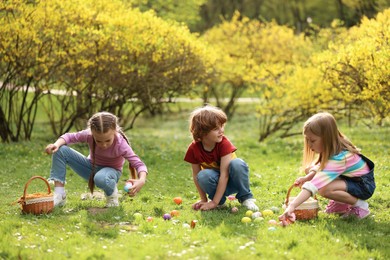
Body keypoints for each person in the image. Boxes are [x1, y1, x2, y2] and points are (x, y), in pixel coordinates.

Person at [279, 112, 375, 221]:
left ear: (326, 138)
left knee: (324, 189)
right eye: (307, 140)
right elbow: (321, 167)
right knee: (309, 170)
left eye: (313, 140)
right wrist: (306, 178)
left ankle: (361, 206)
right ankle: (341, 205)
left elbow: (314, 185)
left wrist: (292, 206)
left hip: (363, 185)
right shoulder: (334, 147)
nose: (309, 145)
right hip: (352, 180)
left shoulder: (340, 158)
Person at [45, 112, 148, 207]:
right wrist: (55, 145)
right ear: (92, 133)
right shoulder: (89, 135)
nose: (103, 145)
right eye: (98, 141)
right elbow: (68, 137)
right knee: (60, 150)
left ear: (115, 132)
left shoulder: (121, 145)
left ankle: (112, 197)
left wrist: (141, 180)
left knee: (100, 178)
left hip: (111, 174)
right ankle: (59, 195)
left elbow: (139, 164)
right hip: (91, 168)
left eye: (108, 140)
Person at [184, 105, 259, 211]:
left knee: (237, 164)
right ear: (202, 132)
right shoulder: (193, 149)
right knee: (202, 175)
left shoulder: (224, 144)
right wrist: (204, 200)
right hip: (215, 183)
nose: (221, 131)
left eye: (222, 126)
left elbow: (225, 175)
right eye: (216, 129)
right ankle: (220, 202)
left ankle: (246, 198)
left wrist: (213, 203)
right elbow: (196, 175)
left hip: (233, 180)